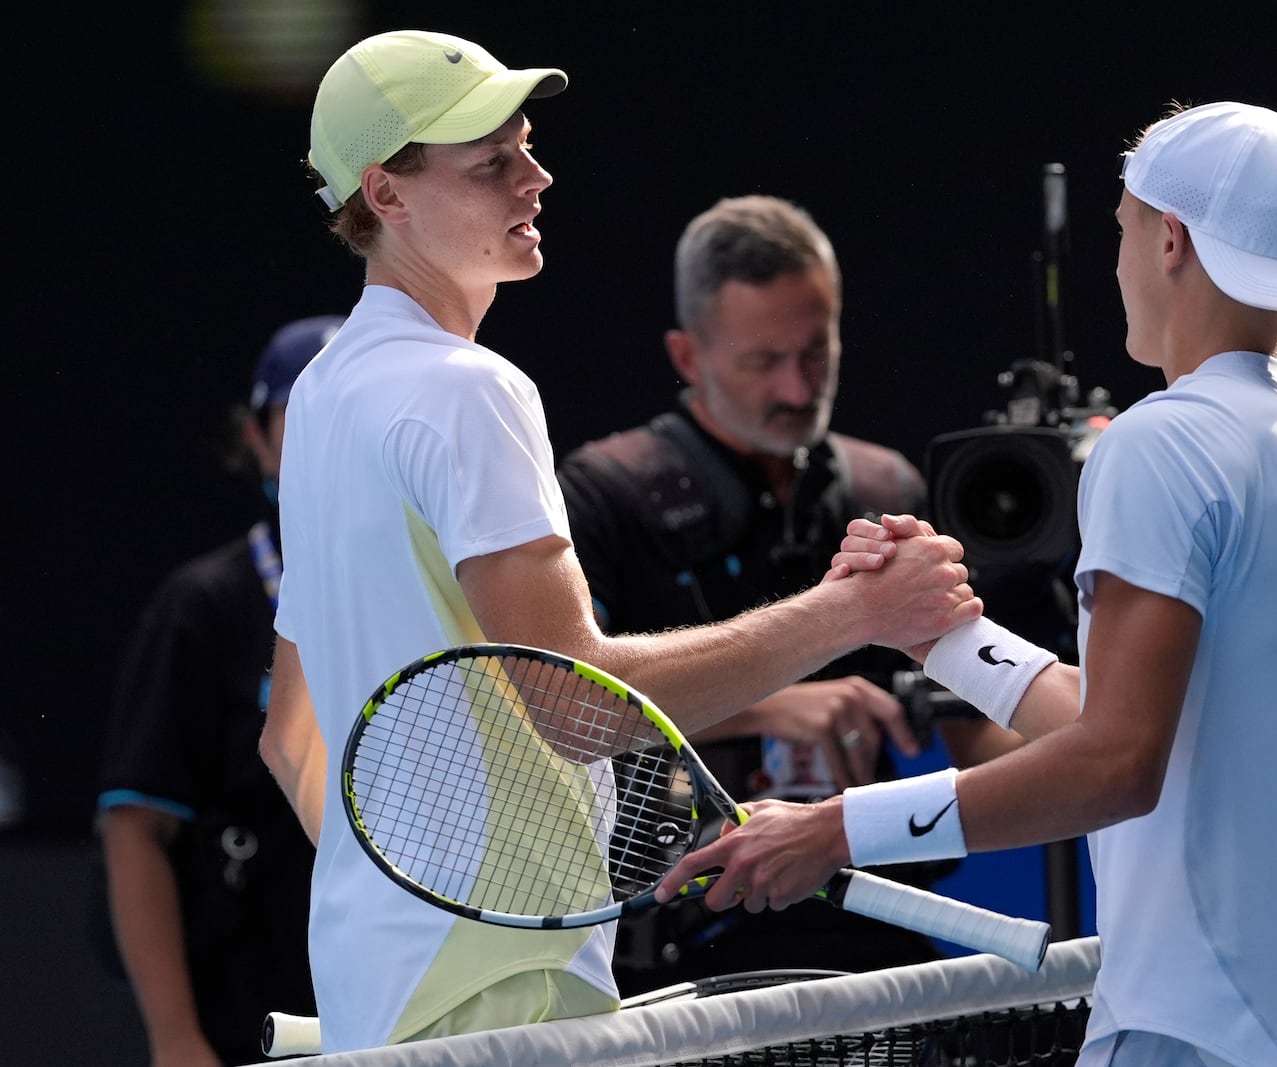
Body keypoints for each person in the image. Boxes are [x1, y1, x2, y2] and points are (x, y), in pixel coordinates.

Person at [658, 101, 1277, 1067]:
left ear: (1171, 241)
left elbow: (1117, 763)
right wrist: (942, 636)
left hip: (1211, 1032)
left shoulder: (1164, 441)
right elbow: (1148, 725)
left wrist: (835, 828)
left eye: (1121, 229)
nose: (1118, 261)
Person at [259, 30, 978, 1055]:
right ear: (386, 194)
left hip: (385, 983)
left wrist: (414, 874)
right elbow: (575, 704)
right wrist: (855, 610)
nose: (536, 176)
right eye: (492, 164)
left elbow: (290, 736)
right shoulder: (470, 390)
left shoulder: (325, 394)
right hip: (507, 988)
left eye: (528, 147)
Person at [557, 194, 997, 994]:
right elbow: (559, 714)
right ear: (687, 356)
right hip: (674, 954)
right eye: (764, 362)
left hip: (881, 932)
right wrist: (771, 706)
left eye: (818, 353)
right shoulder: (601, 493)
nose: (799, 389)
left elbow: (983, 735)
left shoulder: (888, 484)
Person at [96, 315, 342, 1065]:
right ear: (257, 437)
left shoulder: (435, 586)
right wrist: (176, 1038)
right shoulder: (204, 605)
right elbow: (136, 828)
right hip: (247, 1022)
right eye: (301, 417)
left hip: (408, 1007)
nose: (326, 441)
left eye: (347, 417)